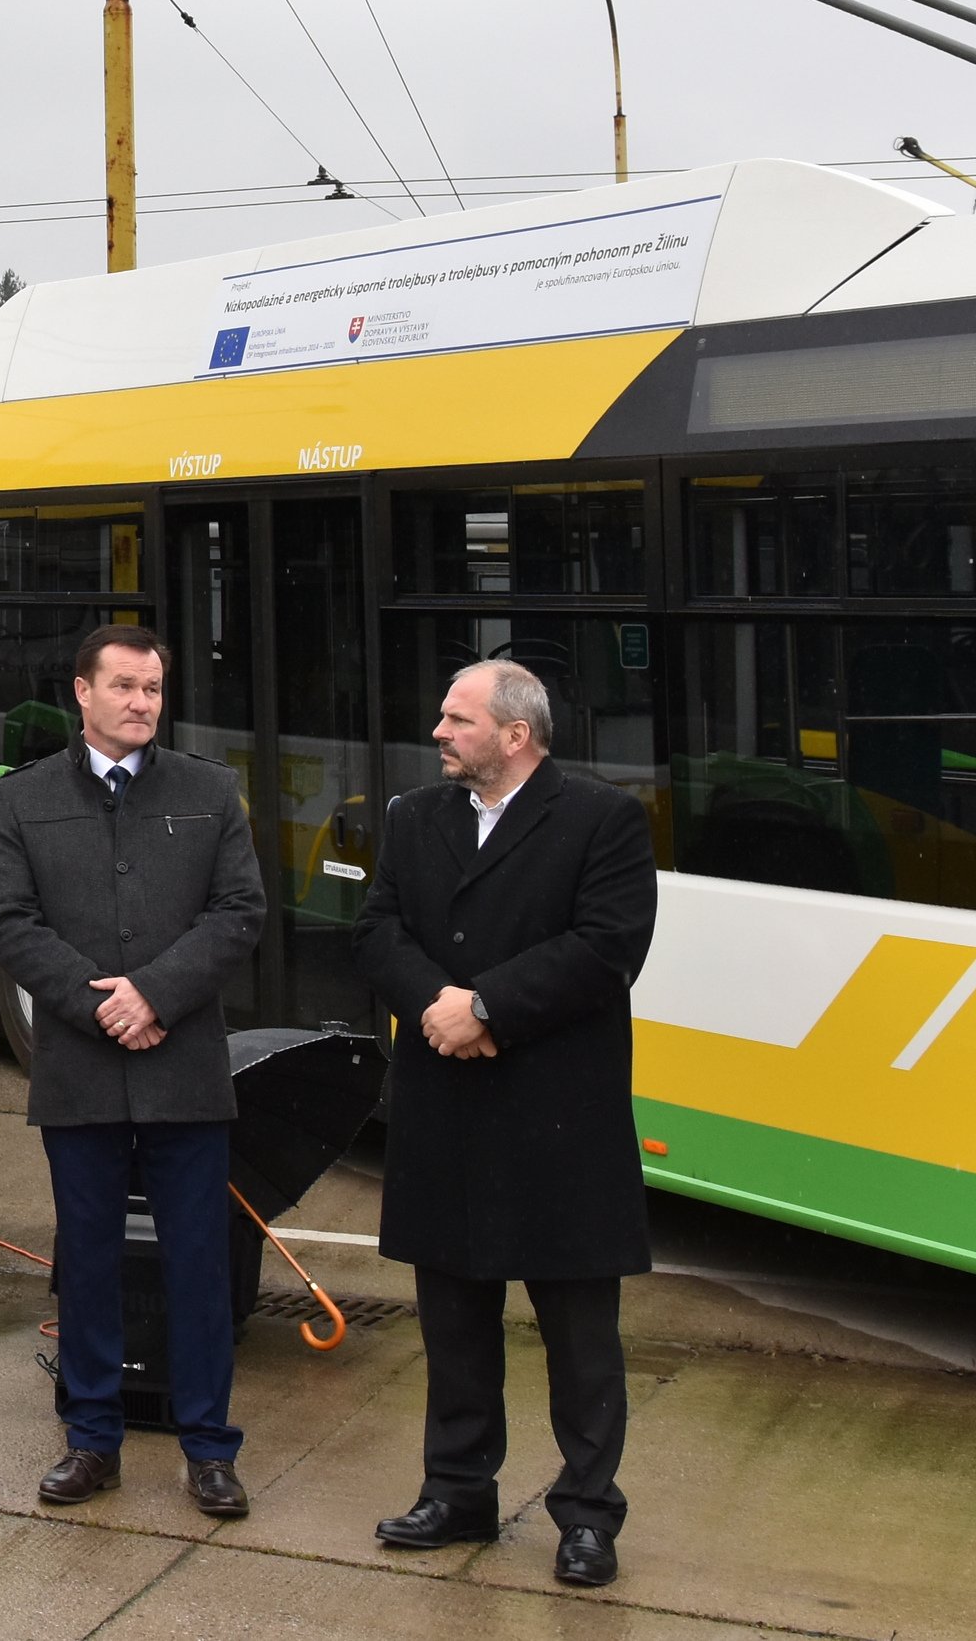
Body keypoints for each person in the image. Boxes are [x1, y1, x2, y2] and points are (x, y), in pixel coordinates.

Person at [358, 659, 659, 1592]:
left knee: (578, 1333)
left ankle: (586, 1514)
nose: (439, 731)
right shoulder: (414, 817)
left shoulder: (602, 820)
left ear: (515, 734)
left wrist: (484, 1007)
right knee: (452, 1318)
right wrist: (437, 1008)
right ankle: (457, 1491)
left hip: (559, 1115)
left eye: (458, 718)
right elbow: (377, 930)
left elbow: (606, 947)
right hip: (446, 1108)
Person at [0, 623, 267, 1517]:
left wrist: (155, 993)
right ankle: (91, 1439)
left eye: (154, 688)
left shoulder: (211, 791)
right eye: (126, 686)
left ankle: (209, 1448)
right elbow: (9, 921)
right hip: (81, 1073)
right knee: (90, 1262)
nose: (143, 702)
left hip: (184, 1071)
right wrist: (100, 1001)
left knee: (199, 1264)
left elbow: (239, 912)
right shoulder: (23, 800)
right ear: (83, 692)